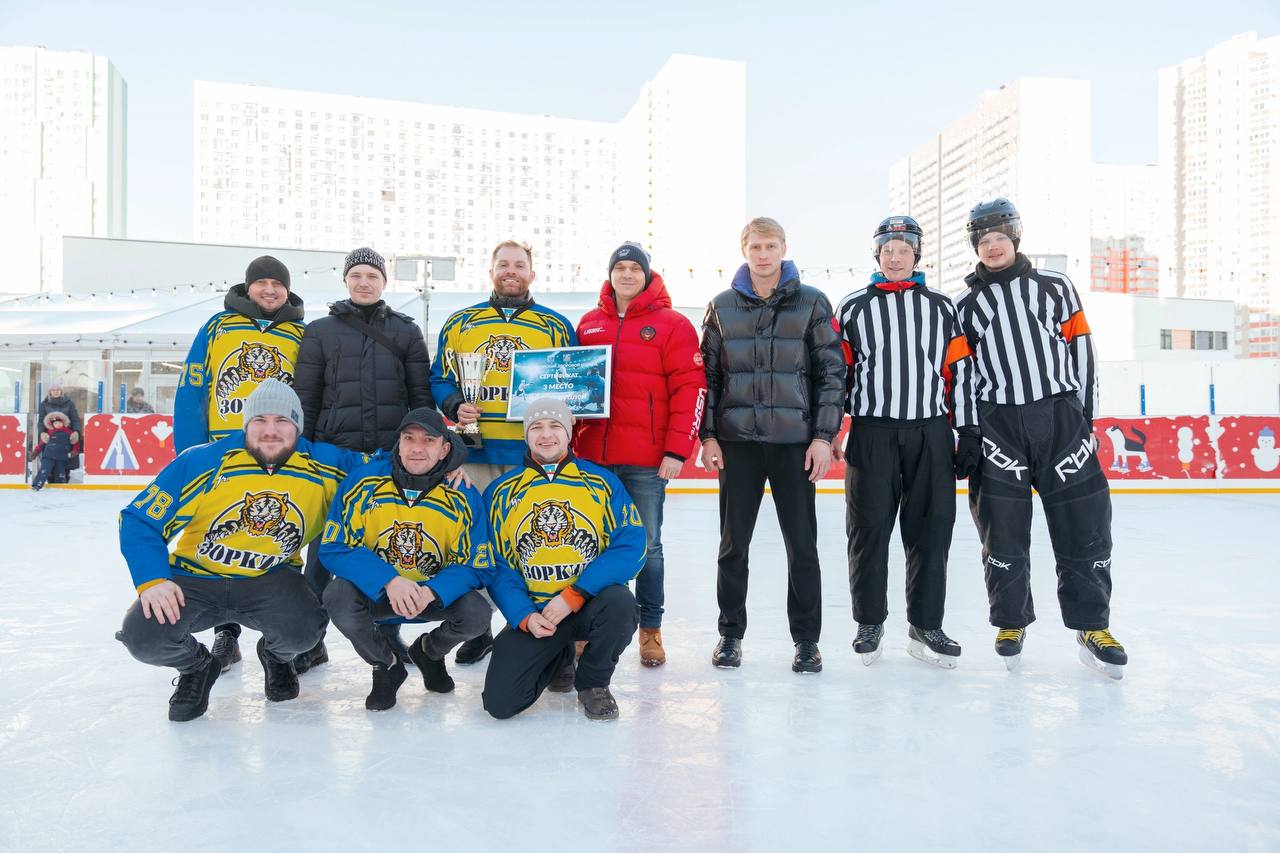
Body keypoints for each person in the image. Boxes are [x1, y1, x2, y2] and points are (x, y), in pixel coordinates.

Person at [115, 380, 370, 721]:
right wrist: (153, 579)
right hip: (195, 577)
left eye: (282, 421)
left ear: (298, 425)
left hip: (270, 579)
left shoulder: (326, 465)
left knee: (305, 631)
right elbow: (138, 520)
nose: (270, 431)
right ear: (245, 423)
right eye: (259, 420)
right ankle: (198, 667)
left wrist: (449, 461)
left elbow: (392, 469)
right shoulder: (204, 462)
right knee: (142, 637)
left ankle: (275, 657)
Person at [955, 197, 1127, 678]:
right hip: (999, 427)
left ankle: (1092, 626)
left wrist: (1083, 418)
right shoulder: (966, 305)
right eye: (983, 241)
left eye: (1000, 238)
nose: (992, 247)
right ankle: (1010, 622)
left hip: (1060, 418)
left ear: (1016, 238)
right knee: (1001, 530)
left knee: (1084, 523)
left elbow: (1082, 351)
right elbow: (964, 374)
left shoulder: (1055, 287)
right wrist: (969, 429)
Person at [699, 217, 844, 673]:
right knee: (732, 545)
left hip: (793, 444)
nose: (763, 255)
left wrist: (823, 437)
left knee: (802, 546)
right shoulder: (722, 306)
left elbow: (831, 375)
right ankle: (729, 635)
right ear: (744, 250)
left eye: (771, 246)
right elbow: (707, 377)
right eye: (756, 246)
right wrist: (707, 435)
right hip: (738, 443)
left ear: (784, 247)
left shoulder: (813, 302)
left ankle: (806, 641)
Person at [834, 216, 977, 669]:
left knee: (931, 531)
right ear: (876, 255)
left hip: (929, 431)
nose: (895, 256)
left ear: (917, 254)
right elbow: (838, 375)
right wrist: (831, 429)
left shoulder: (941, 307)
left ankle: (926, 624)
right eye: (887, 248)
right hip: (872, 431)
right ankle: (869, 621)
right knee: (868, 529)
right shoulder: (854, 307)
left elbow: (961, 374)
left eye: (904, 248)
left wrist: (968, 430)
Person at [429, 240, 577, 665]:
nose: (510, 271)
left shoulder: (555, 325)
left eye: (519, 265)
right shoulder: (461, 322)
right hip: (473, 454)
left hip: (529, 457)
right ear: (491, 271)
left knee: (524, 547)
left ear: (533, 273)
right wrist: (455, 404)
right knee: (476, 545)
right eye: (503, 265)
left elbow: (572, 386)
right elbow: (439, 378)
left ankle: (536, 626)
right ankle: (483, 627)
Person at [293, 247, 434, 669]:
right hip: (333, 458)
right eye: (356, 274)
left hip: (387, 462)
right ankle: (310, 640)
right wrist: (305, 451)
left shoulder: (406, 332)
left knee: (386, 548)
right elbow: (306, 399)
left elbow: (421, 399)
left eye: (372, 274)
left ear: (384, 282)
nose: (364, 282)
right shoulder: (319, 332)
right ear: (346, 281)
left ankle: (388, 634)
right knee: (321, 551)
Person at [172, 255, 306, 674]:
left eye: (277, 284)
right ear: (247, 287)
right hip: (221, 453)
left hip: (280, 452)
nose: (269, 290)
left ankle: (284, 634)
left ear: (287, 290)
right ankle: (226, 634)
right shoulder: (217, 327)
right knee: (216, 530)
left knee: (278, 530)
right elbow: (192, 389)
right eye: (261, 283)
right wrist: (189, 452)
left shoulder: (302, 333)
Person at [574, 242, 706, 667]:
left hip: (647, 460)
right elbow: (572, 384)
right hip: (593, 457)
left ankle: (650, 629)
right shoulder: (590, 324)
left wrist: (676, 449)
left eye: (635, 268)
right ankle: (585, 627)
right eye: (620, 268)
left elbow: (692, 388)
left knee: (648, 546)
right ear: (610, 274)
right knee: (589, 543)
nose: (627, 275)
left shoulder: (672, 324)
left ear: (647, 275)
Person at [481, 398, 645, 721]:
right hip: (538, 614)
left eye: (555, 426)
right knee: (500, 703)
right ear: (526, 435)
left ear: (569, 431)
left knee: (622, 606)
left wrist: (575, 594)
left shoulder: (601, 483)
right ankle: (558, 656)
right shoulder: (501, 492)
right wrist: (524, 615)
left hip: (588, 605)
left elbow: (632, 545)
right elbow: (497, 564)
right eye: (537, 427)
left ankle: (593, 683)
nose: (546, 435)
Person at [319, 408, 493, 711]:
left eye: (428, 440)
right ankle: (386, 665)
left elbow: (478, 564)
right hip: (380, 595)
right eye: (408, 438)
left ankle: (429, 651)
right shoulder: (362, 483)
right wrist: (389, 580)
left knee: (477, 615)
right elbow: (334, 548)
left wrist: (432, 590)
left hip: (431, 596)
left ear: (444, 448)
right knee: (337, 596)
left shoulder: (462, 493)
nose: (416, 447)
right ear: (398, 443)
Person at [37, 381, 81, 483]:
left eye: (58, 390)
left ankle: (64, 478)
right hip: (50, 436)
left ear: (61, 391)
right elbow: (41, 421)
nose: (56, 392)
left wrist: (76, 432)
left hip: (66, 435)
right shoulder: (44, 404)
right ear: (50, 392)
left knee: (65, 460)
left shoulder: (69, 403)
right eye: (53, 390)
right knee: (49, 459)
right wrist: (42, 433)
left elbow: (75, 419)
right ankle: (50, 478)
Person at [31, 411, 78, 490]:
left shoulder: (69, 432)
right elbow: (41, 444)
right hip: (48, 456)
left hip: (62, 457)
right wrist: (36, 451)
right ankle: (37, 484)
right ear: (52, 425)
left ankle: (60, 486)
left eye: (59, 423)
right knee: (44, 470)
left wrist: (74, 451)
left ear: (63, 423)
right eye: (55, 423)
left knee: (60, 473)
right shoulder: (49, 433)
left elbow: (75, 443)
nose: (58, 424)